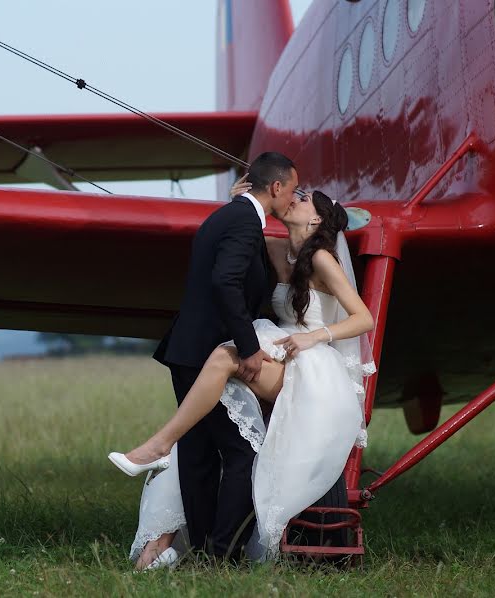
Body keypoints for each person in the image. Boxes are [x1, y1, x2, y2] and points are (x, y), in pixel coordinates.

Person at [110, 183, 375, 569]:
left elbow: (363, 317)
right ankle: (162, 541)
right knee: (206, 422)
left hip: (310, 366)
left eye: (304, 199)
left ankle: (160, 445)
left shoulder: (321, 258)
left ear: (317, 218)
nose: (294, 199)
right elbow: (237, 243)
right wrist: (238, 204)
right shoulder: (278, 249)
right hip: (277, 349)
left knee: (222, 359)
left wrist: (315, 335)